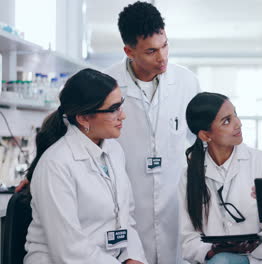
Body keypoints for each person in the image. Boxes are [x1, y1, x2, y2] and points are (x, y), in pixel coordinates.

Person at [104, 2, 200, 263]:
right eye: (151, 51)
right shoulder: (106, 84)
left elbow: (198, 143)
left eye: (165, 45)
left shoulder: (187, 82)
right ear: (129, 51)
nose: (163, 57)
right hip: (127, 204)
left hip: (175, 204)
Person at [23, 69, 147, 264]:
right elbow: (69, 249)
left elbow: (126, 218)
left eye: (120, 105)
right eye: (113, 109)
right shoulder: (56, 164)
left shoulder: (114, 151)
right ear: (83, 118)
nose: (122, 116)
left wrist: (133, 257)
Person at [178, 92, 262, 264]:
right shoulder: (189, 175)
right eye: (227, 121)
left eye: (235, 115)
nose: (238, 124)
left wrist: (247, 252)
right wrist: (213, 254)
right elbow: (189, 238)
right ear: (205, 135)